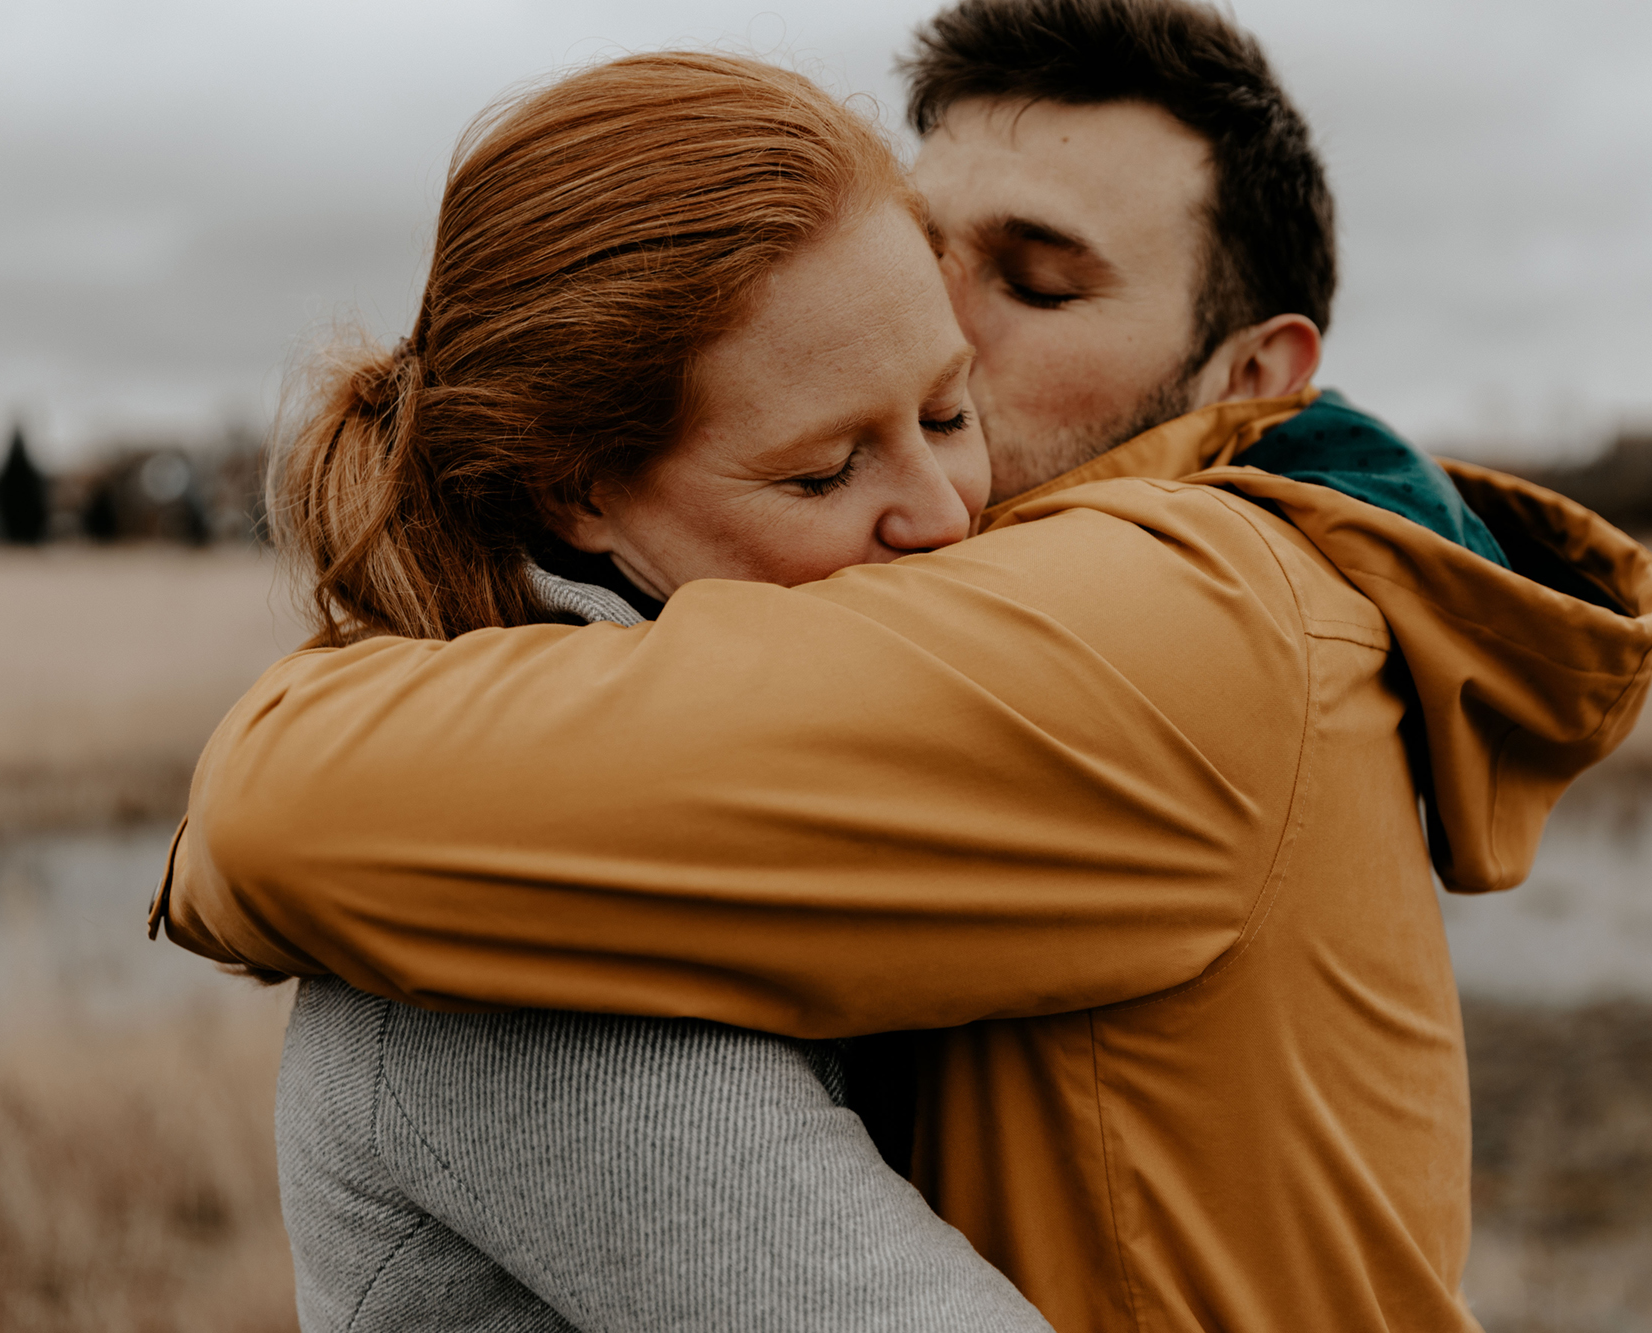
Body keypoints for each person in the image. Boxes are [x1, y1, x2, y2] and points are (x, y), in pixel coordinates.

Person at [154, 3, 1652, 1329]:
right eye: (927, 247)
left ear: (1253, 377)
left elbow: (287, 808)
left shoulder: (1185, 619)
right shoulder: (1208, 589)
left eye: (1039, 283)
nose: (932, 317)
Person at [251, 52, 1053, 1332]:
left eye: (948, 412)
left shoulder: (788, 768)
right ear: (579, 489)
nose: (945, 513)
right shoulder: (521, 946)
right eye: (824, 471)